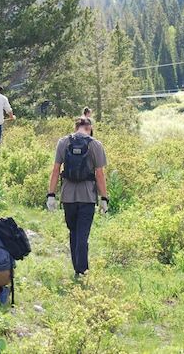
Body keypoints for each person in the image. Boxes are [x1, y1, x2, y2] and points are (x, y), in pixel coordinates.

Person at [46, 116, 108, 278]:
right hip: (87, 197)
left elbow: (55, 171)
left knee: (73, 232)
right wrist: (104, 198)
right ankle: (82, 271)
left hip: (67, 196)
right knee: (83, 234)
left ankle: (77, 269)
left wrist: (51, 195)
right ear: (90, 128)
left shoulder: (63, 143)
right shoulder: (95, 145)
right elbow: (100, 175)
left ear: (76, 127)